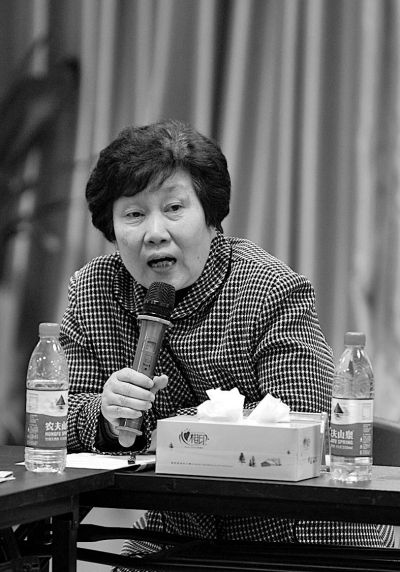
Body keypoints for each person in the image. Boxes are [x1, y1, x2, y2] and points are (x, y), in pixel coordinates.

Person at [60, 119, 394, 567]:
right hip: (179, 534)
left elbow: (302, 422)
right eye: (134, 214)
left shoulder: (270, 288)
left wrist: (172, 432)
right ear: (112, 226)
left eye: (174, 208)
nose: (155, 232)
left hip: (297, 536)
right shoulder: (94, 289)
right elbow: (54, 420)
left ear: (210, 215)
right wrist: (102, 413)